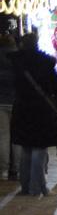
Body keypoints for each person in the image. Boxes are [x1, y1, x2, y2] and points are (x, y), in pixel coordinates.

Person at [10, 31, 57, 195]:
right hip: (40, 110)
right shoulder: (45, 63)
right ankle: (38, 187)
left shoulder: (16, 62)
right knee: (39, 148)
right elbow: (56, 86)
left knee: (27, 148)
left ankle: (26, 185)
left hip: (21, 108)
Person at [0, 34, 14, 181]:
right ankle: (15, 168)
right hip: (16, 101)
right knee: (16, 135)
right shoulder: (17, 58)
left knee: (3, 136)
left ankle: (3, 170)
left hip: (1, 101)